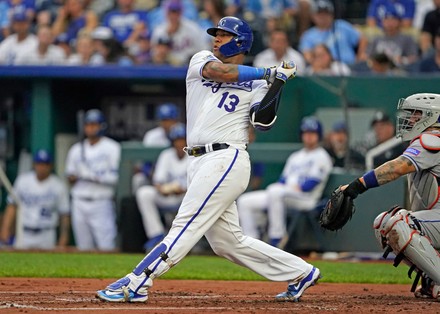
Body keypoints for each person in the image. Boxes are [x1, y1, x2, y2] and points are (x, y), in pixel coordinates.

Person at [97, 16, 321, 303]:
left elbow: (262, 122)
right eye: (216, 34)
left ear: (240, 42)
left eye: (224, 35)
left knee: (186, 223)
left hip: (227, 157)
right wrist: (267, 71)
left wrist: (277, 83)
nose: (216, 39)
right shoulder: (202, 59)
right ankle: (301, 271)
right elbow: (220, 72)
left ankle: (138, 280)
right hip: (198, 160)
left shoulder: (258, 84)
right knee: (228, 243)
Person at [338, 93, 440, 300]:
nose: (410, 119)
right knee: (383, 223)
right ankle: (431, 278)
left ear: (432, 115)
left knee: (398, 223)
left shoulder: (433, 139)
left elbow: (398, 167)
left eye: (416, 114)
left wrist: (356, 186)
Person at [237, 116, 333, 246]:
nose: (309, 136)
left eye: (312, 133)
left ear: (318, 135)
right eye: (306, 133)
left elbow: (310, 185)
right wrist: (286, 187)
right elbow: (282, 180)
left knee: (275, 191)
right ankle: (251, 242)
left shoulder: (322, 156)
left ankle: (277, 237)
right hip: (284, 195)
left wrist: (290, 187)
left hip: (305, 199)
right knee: (245, 201)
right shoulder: (296, 156)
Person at [65, 109, 121, 251]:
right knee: (83, 247)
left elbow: (116, 178)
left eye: (94, 124)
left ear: (101, 126)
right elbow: (69, 178)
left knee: (106, 246)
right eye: (88, 124)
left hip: (101, 202)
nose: (91, 128)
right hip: (79, 201)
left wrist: (90, 175)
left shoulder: (112, 147)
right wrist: (76, 175)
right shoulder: (76, 149)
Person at [0, 149, 70, 250]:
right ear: (34, 165)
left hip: (47, 233)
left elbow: (64, 214)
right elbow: (12, 206)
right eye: (39, 164)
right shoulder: (23, 181)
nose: (41, 167)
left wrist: (64, 238)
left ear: (50, 166)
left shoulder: (58, 186)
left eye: (45, 164)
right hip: (25, 232)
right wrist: (5, 229)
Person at [136, 123, 188, 252]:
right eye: (177, 140)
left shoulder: (194, 155)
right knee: (144, 193)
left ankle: (188, 239)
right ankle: (156, 234)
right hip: (167, 196)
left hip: (185, 198)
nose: (180, 144)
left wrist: (182, 189)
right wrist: (162, 189)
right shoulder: (166, 155)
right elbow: (158, 181)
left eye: (182, 140)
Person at [298, 0, 364, 65]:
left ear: (332, 15)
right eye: (320, 14)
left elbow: (362, 39)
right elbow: (307, 55)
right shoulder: (308, 35)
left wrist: (360, 55)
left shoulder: (341, 25)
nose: (323, 17)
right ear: (313, 16)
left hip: (350, 66)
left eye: (326, 14)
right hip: (326, 70)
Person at [150, 0, 209, 66]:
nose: (173, 15)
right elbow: (153, 55)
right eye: (171, 12)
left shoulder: (192, 28)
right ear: (166, 13)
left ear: (181, 12)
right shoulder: (160, 31)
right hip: (167, 67)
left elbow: (204, 50)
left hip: (190, 66)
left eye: (176, 12)